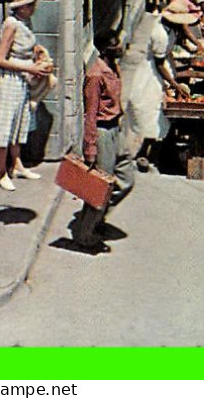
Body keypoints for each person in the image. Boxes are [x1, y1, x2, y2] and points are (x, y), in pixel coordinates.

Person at [70, 29, 135, 254]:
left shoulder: (111, 67)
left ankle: (98, 216)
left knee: (126, 177)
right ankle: (85, 235)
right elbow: (90, 113)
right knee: (100, 186)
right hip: (102, 132)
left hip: (116, 128)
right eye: (117, 45)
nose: (122, 47)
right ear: (107, 48)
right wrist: (90, 146)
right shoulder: (95, 74)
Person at [0, 0, 52, 189]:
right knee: (5, 125)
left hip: (21, 79)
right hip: (8, 81)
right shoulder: (11, 25)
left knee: (20, 121)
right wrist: (29, 67)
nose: (33, 8)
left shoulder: (24, 22)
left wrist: (38, 53)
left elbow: (26, 48)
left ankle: (17, 165)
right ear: (20, 7)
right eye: (30, 5)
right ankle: (1, 171)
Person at [127, 13, 189, 172]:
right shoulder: (159, 33)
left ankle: (152, 149)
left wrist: (175, 73)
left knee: (158, 115)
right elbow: (160, 63)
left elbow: (168, 54)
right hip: (149, 74)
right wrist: (174, 84)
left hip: (162, 71)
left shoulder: (170, 31)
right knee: (152, 112)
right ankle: (146, 153)